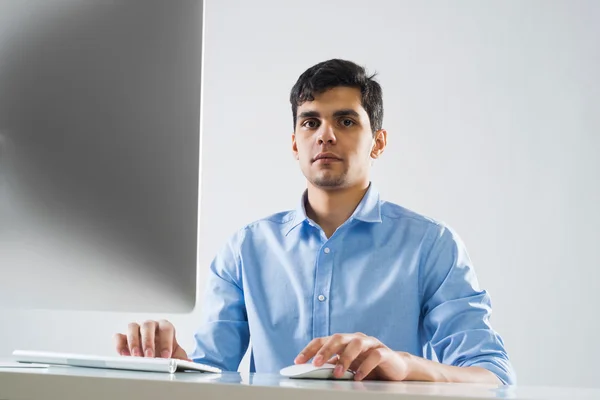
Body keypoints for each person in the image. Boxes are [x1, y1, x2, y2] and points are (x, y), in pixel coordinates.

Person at [114, 59, 516, 385]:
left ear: (378, 141)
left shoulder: (431, 245)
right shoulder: (246, 249)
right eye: (310, 122)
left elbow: (493, 376)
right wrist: (171, 364)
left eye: (345, 121)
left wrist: (406, 367)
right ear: (294, 142)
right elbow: (213, 375)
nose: (325, 136)